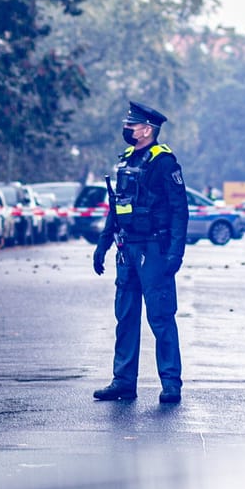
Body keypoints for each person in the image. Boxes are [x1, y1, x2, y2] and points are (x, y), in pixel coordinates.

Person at [91, 101, 189, 403]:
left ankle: (171, 383)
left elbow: (179, 210)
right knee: (126, 316)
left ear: (147, 129)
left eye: (132, 125)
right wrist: (103, 243)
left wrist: (176, 253)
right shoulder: (125, 161)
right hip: (127, 249)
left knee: (160, 317)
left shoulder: (164, 162)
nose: (127, 129)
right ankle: (123, 381)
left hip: (154, 249)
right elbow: (117, 206)